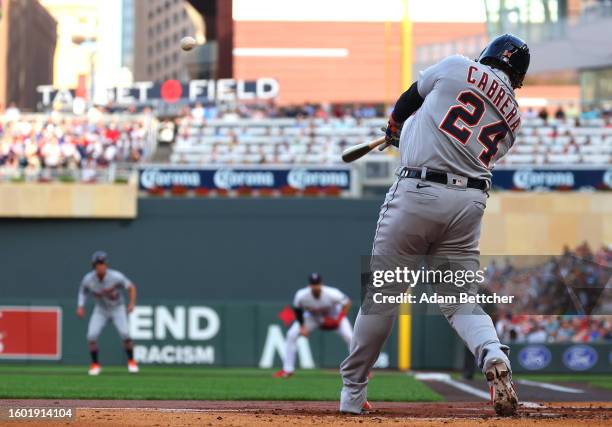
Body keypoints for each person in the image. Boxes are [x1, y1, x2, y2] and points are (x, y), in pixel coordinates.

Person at [339, 34, 530, 416]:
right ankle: (493, 352)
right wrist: (404, 132)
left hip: (419, 191)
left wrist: (394, 128)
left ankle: (353, 394)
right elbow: (447, 128)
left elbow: (411, 99)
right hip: (469, 204)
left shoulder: (457, 65)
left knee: (383, 297)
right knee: (460, 300)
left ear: (487, 55)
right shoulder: (513, 116)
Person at [274, 273, 352, 378]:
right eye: (313, 284)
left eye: (317, 284)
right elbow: (297, 310)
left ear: (321, 284)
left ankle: (361, 371)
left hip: (334, 316)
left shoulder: (332, 293)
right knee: (291, 334)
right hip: (313, 318)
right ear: (309, 285)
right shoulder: (301, 295)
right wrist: (302, 327)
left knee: (350, 337)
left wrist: (338, 320)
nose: (315, 286)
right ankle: (287, 370)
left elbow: (347, 302)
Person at [77, 251, 139, 375]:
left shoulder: (115, 276)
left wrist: (132, 303)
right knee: (91, 336)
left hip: (117, 308)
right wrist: (80, 306)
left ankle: (131, 361)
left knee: (125, 334)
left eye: (103, 263)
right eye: (99, 264)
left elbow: (131, 287)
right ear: (94, 266)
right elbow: (82, 291)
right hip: (101, 310)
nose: (102, 266)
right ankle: (95, 365)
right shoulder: (88, 279)